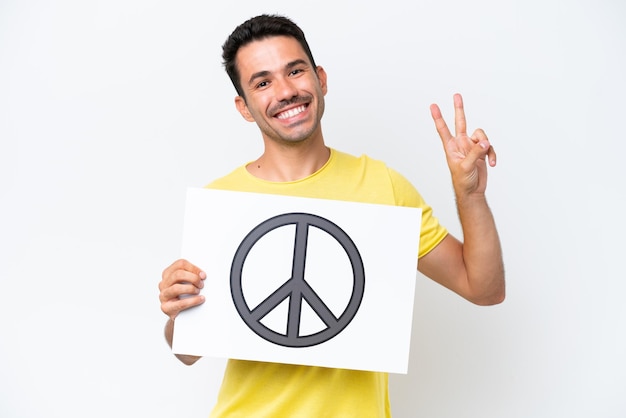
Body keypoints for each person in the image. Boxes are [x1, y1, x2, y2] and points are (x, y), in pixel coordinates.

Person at [158, 14, 505, 417]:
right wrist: (177, 314)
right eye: (263, 82)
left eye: (295, 70)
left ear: (320, 79)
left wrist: (471, 195)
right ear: (245, 107)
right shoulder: (223, 202)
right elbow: (188, 353)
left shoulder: (380, 184)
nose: (286, 91)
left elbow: (483, 289)